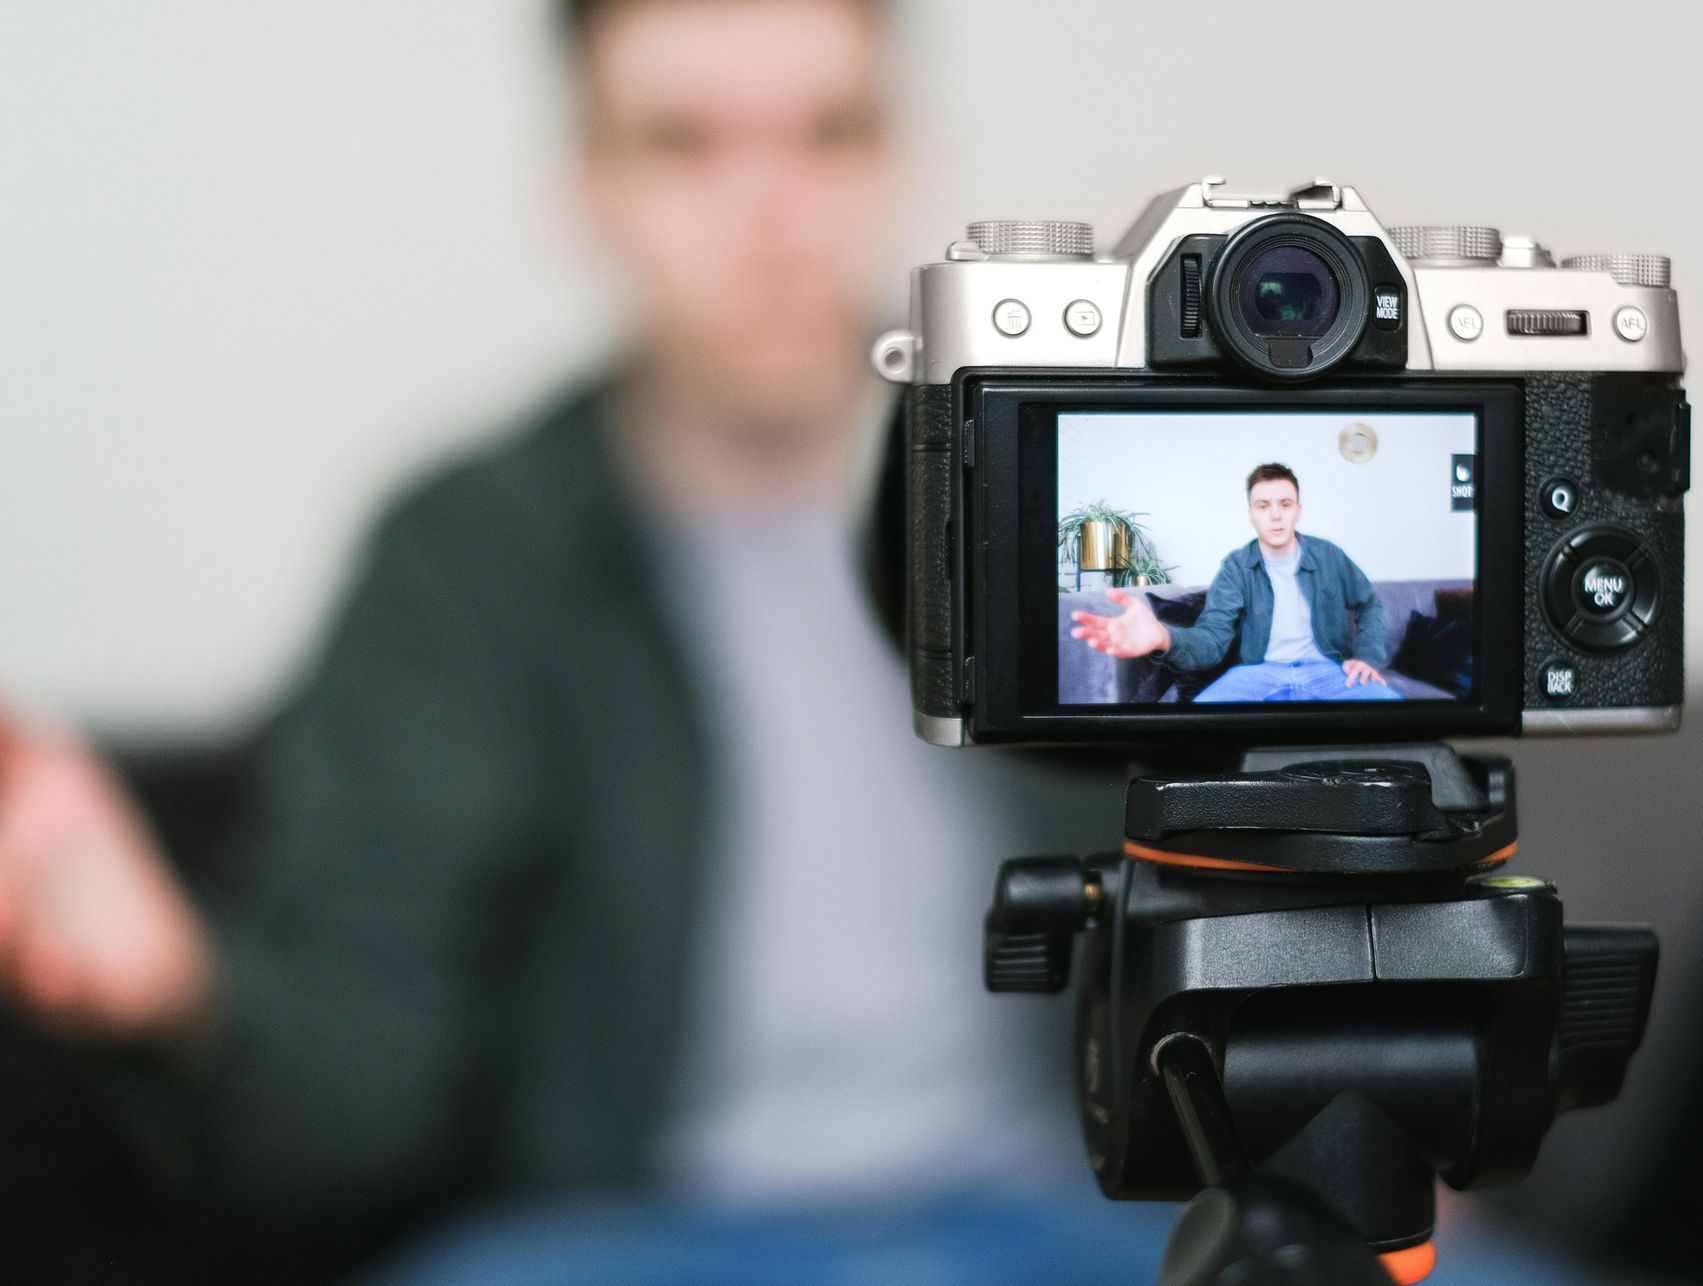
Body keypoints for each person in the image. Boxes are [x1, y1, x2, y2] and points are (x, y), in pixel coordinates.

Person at [0, 0, 1128, 1279]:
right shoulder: (467, 560)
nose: (770, 212)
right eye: (685, 143)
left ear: (899, 154)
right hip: (628, 1243)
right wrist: (176, 981)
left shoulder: (1070, 498)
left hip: (1058, 1219)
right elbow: (357, 1092)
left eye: (827, 132)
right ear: (586, 183)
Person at [1070, 463, 1402, 703]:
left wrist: (1367, 657)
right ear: (1251, 514)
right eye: (1263, 506)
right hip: (1257, 673)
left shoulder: (1329, 555)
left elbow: (1369, 603)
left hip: (1327, 670)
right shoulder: (1235, 566)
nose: (1275, 515)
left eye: (1285, 504)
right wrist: (1163, 636)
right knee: (1197, 723)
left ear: (1298, 510)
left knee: (1391, 712)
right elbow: (1211, 640)